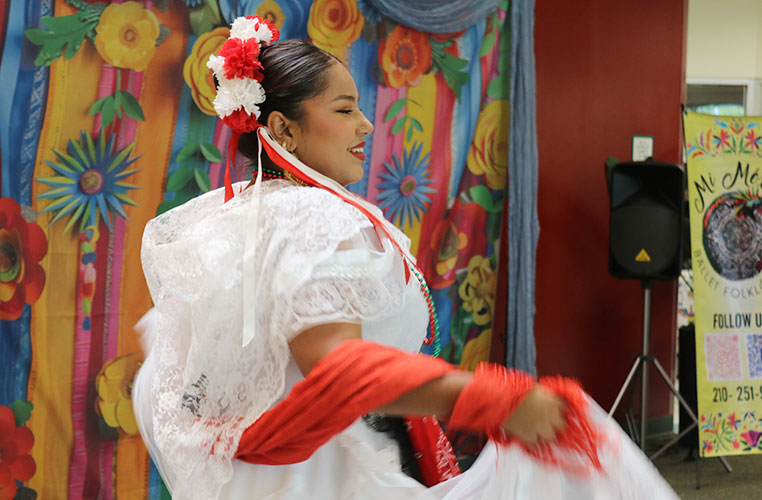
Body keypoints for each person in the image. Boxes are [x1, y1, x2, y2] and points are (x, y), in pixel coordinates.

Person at [133, 17, 680, 500]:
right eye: (344, 109)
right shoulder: (311, 216)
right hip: (319, 477)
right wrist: (495, 398)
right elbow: (338, 367)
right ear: (283, 130)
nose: (365, 125)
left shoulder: (239, 217)